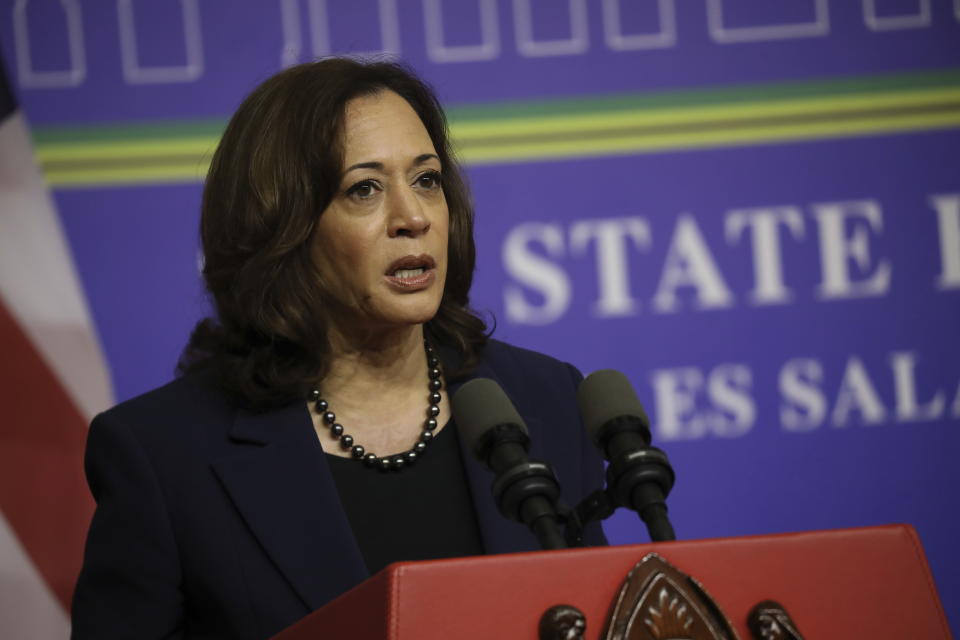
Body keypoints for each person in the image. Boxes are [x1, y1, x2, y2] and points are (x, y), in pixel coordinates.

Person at [71, 58, 607, 640]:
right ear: (282, 228)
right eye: (364, 189)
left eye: (426, 179)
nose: (412, 217)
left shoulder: (548, 399)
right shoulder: (165, 457)